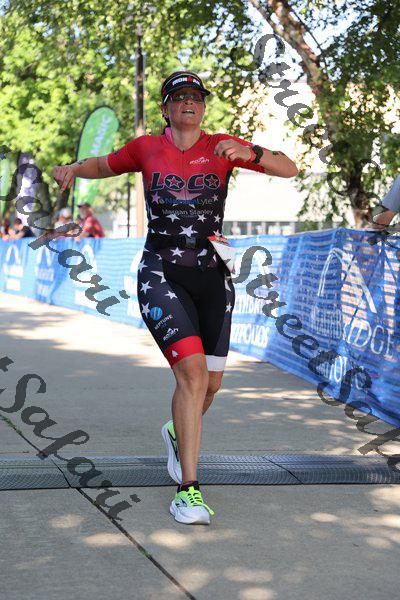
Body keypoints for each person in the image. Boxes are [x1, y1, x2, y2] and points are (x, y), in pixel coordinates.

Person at [52, 70, 298, 525]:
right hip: (161, 272)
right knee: (192, 375)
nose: (189, 103)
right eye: (179, 96)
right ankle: (188, 491)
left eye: (196, 97)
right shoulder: (146, 147)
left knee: (211, 385)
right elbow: (102, 164)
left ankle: (175, 431)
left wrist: (251, 152)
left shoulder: (222, 146)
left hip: (213, 275)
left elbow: (290, 168)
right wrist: (72, 167)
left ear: (203, 106)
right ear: (165, 108)